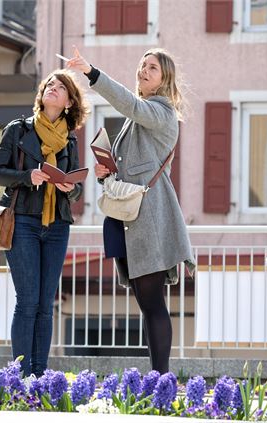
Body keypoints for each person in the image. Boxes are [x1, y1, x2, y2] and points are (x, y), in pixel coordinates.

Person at [66, 47, 195, 374]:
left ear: (165, 79)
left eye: (152, 67)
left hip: (148, 219)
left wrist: (91, 72)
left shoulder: (161, 111)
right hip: (130, 217)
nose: (143, 70)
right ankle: (158, 378)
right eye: (142, 65)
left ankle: (161, 380)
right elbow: (132, 169)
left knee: (153, 304)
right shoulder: (142, 116)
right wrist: (107, 172)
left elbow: (130, 104)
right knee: (148, 303)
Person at [0, 69, 89, 377]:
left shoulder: (68, 140)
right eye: (50, 85)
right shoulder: (18, 130)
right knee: (28, 300)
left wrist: (70, 188)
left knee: (46, 304)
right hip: (23, 222)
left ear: (69, 101)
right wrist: (25, 177)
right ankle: (19, 376)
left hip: (57, 225)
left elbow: (76, 185)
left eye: (60, 87)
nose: (53, 89)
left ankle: (41, 375)